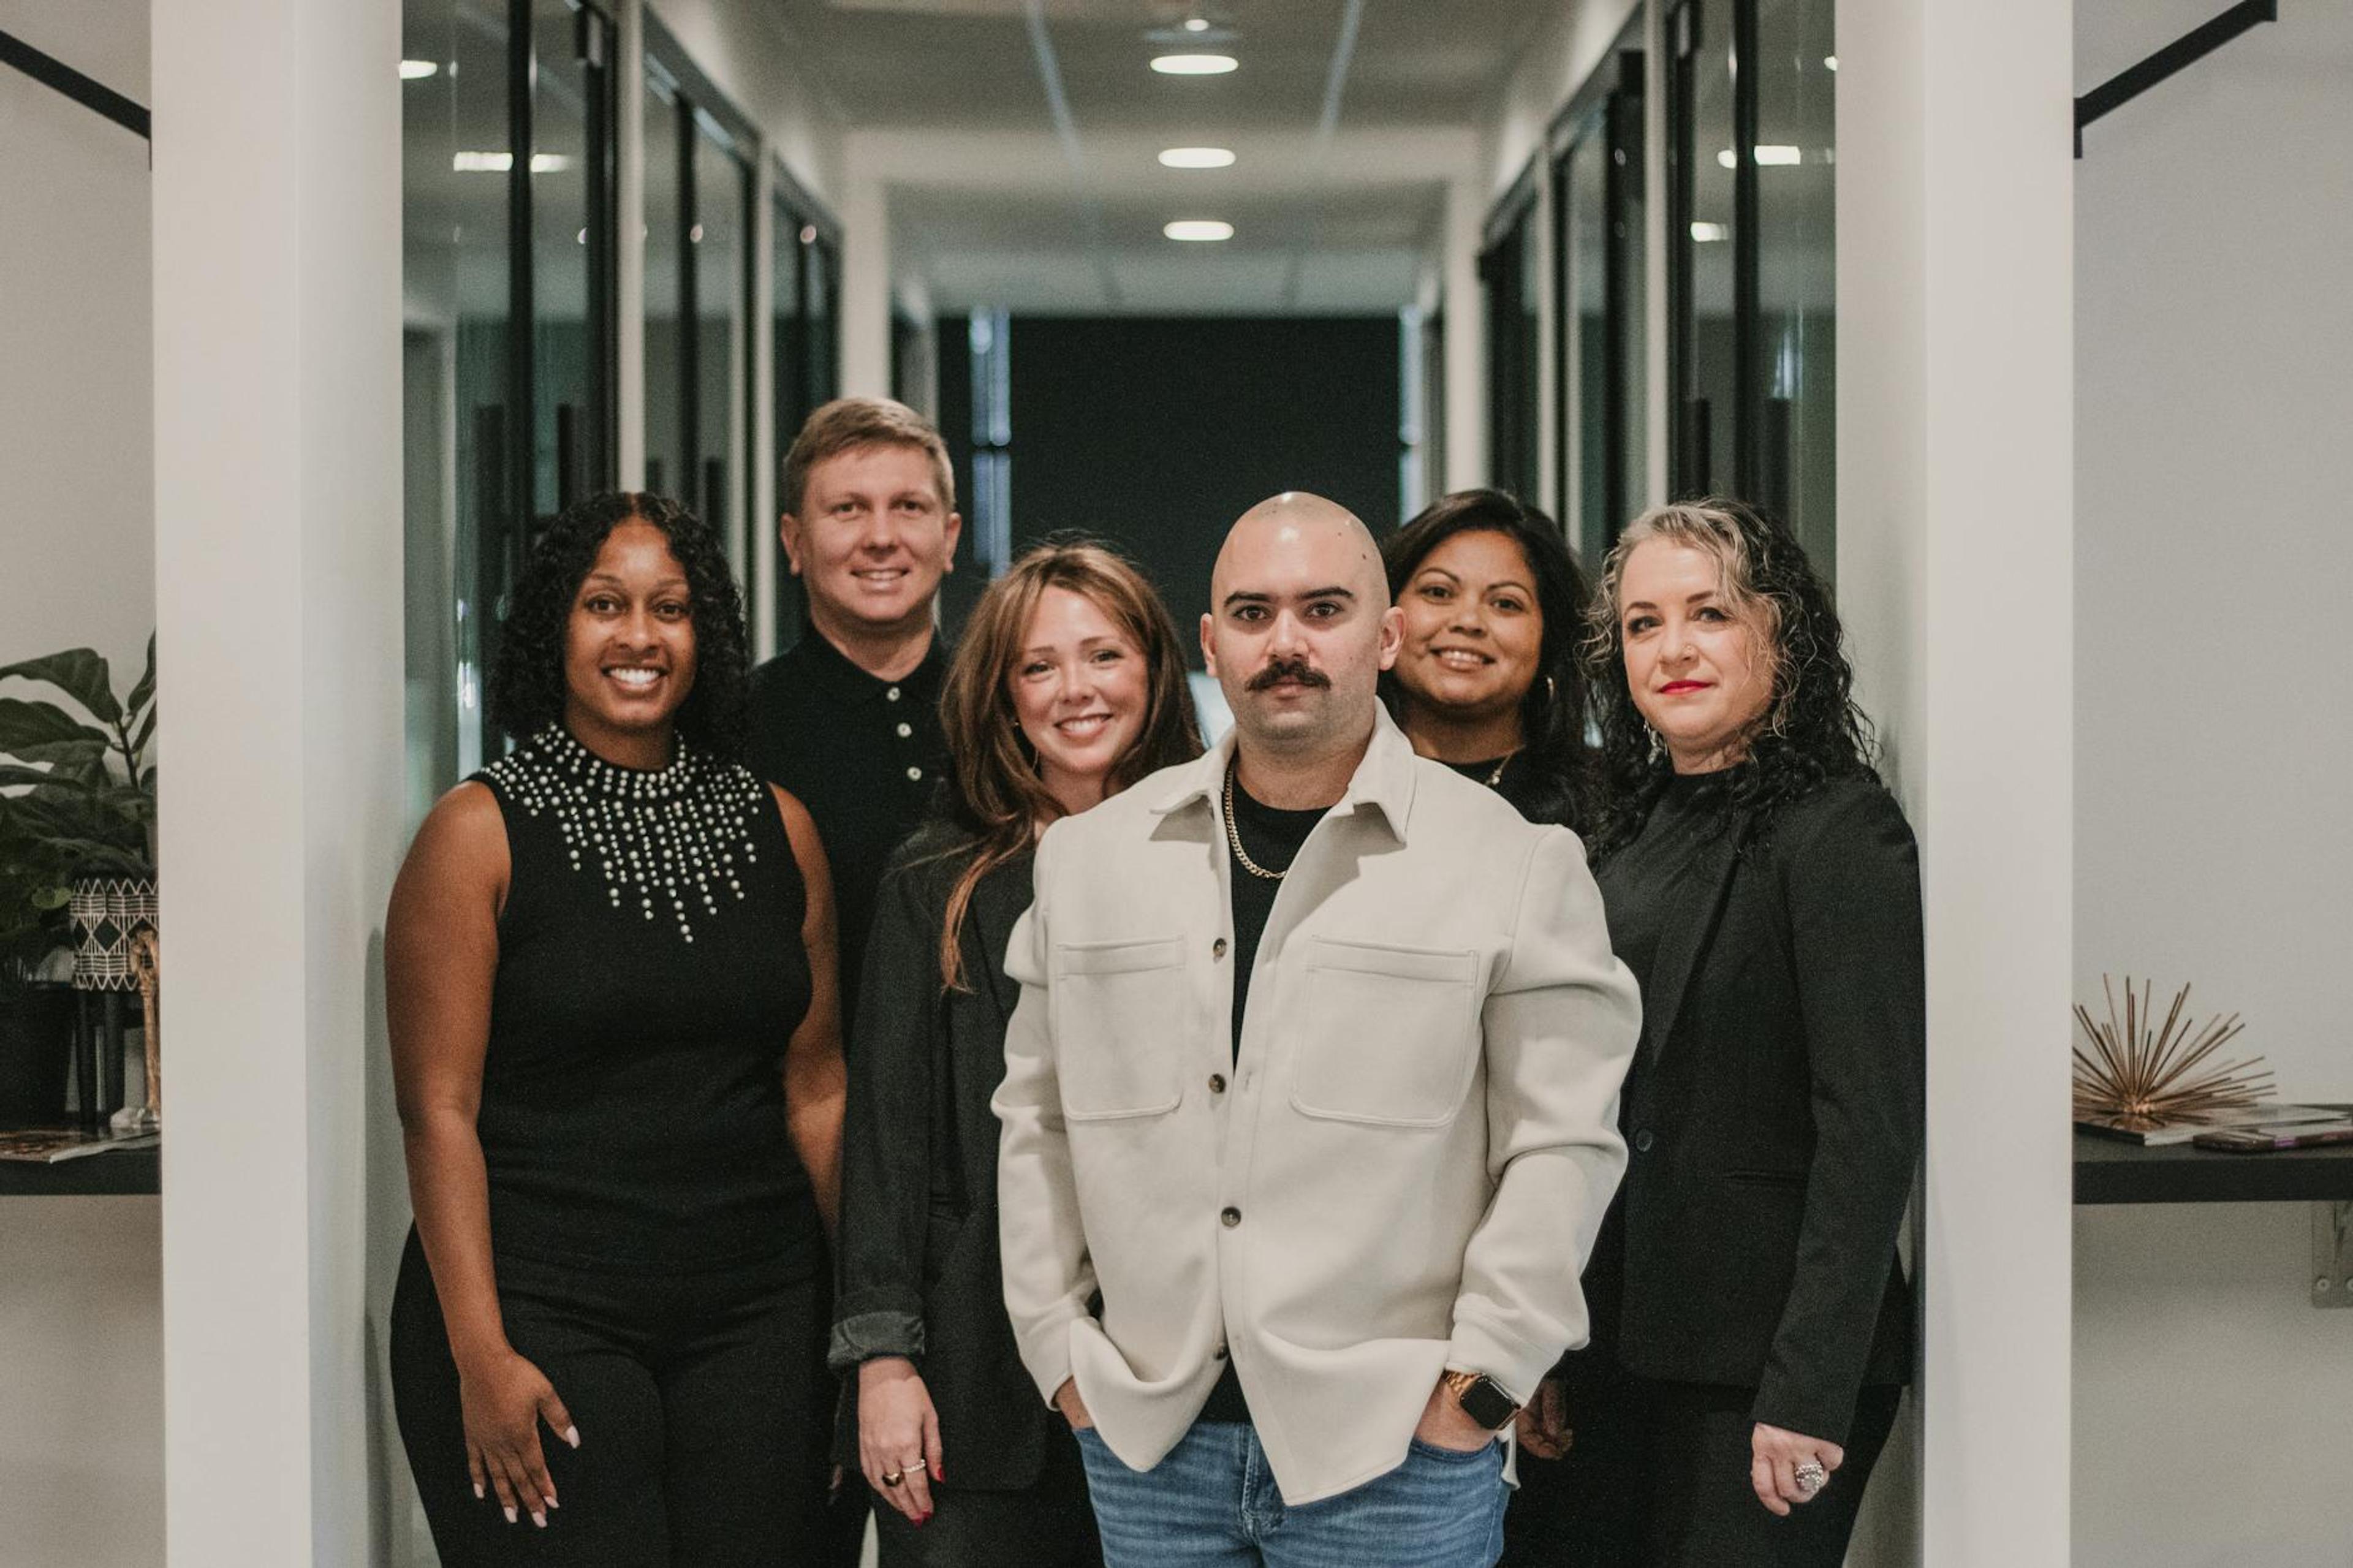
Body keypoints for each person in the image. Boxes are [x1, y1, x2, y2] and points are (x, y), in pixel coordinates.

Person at [992, 492, 1642, 1568]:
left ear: (1384, 636)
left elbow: (1564, 1142)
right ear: (1211, 643)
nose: (1285, 643)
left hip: (1397, 1455)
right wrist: (1062, 1358)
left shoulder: (1514, 861)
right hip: (1149, 1446)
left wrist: (1482, 1386)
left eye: (1324, 608)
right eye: (1252, 613)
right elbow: (1036, 1123)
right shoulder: (1090, 860)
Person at [386, 493, 846, 1565]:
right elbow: (435, 1108)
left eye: (670, 608)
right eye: (605, 604)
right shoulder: (474, 832)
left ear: (708, 636)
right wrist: (478, 1353)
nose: (639, 635)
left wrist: (869, 1329)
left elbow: (816, 1089)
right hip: (542, 1304)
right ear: (556, 627)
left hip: (761, 1311)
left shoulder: (782, 825)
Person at [1509, 499, 1922, 1567]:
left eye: (1711, 613)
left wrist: (1809, 1387)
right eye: (1644, 623)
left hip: (1762, 1373)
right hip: (1615, 1351)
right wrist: (1547, 1343)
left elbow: (1867, 1128)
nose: (1675, 647)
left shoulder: (1839, 827)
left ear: (1780, 632)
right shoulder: (1623, 828)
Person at [832, 540, 1201, 1566]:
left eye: (1104, 655)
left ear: (1157, 670)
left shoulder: (1231, 860)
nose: (1075, 688)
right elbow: (886, 1141)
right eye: (1039, 666)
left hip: (1185, 1382)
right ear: (1002, 696)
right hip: (972, 1372)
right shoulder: (936, 882)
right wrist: (884, 1361)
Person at [749, 396, 962, 1034]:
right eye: (847, 509)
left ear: (948, 538)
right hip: (793, 1111)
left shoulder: (1010, 713)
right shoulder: (732, 728)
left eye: (909, 507)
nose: (880, 537)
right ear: (794, 542)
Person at [1379, 489, 1601, 832]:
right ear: (1388, 619)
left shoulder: (1610, 804)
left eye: (1505, 603)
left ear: (1549, 635)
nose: (1468, 621)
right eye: (1438, 592)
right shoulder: (1332, 781)